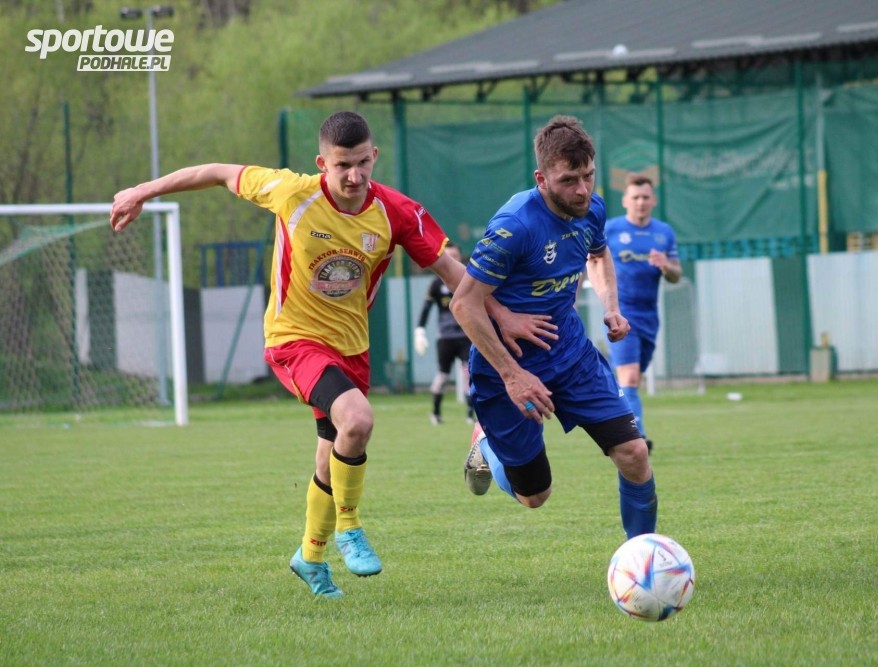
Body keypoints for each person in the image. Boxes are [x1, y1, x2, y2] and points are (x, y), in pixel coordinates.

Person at [110, 111, 554, 600]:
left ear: (374, 156)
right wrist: (142, 191)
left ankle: (310, 556)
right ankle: (350, 526)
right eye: (343, 165)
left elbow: (454, 275)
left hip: (352, 349)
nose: (354, 176)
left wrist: (503, 315)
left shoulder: (396, 212)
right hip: (293, 340)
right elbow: (215, 172)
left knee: (331, 456)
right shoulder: (290, 193)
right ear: (322, 163)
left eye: (363, 163)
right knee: (358, 420)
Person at [450, 115, 658, 541]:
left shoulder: (591, 208)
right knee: (535, 495)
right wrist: (513, 375)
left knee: (634, 453)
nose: (582, 190)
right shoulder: (515, 226)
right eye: (568, 180)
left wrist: (611, 307)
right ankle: (486, 443)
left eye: (588, 176)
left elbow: (597, 255)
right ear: (541, 179)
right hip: (507, 367)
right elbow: (464, 303)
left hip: (571, 355)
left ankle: (643, 558)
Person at [605, 173, 682, 452]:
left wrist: (666, 265)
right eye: (635, 197)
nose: (640, 202)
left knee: (632, 380)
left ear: (653, 200)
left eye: (645, 197)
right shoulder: (611, 230)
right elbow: (590, 262)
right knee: (629, 377)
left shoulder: (664, 232)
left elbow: (676, 274)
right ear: (625, 200)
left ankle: (613, 414)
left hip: (649, 315)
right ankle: (636, 437)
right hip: (620, 312)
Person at [414, 242, 475, 425]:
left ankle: (470, 414)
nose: (452, 260)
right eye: (448, 256)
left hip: (465, 336)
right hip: (445, 337)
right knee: (443, 375)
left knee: (469, 373)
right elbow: (426, 308)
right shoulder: (436, 283)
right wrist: (420, 330)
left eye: (455, 256)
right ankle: (436, 413)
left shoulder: (469, 279)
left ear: (460, 257)